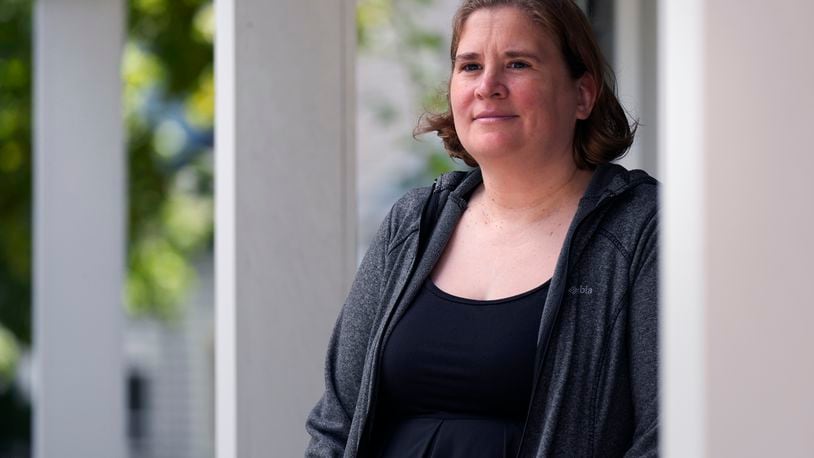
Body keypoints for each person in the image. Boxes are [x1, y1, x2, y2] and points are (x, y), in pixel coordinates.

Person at [306, 0, 658, 456]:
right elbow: (335, 425)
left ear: (583, 94)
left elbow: (665, 436)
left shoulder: (639, 229)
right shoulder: (413, 225)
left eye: (518, 63)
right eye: (470, 66)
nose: (488, 86)